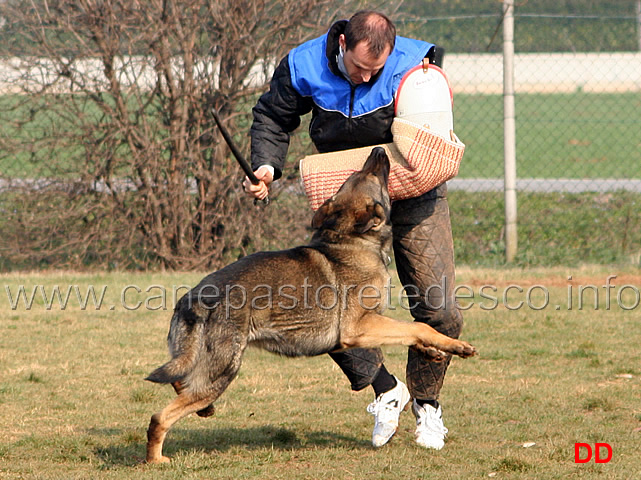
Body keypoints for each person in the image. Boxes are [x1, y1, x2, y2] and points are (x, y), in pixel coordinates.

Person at [243, 10, 463, 450]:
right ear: (342, 43)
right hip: (348, 206)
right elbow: (272, 116)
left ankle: (427, 404)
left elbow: (433, 132)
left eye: (375, 71)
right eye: (358, 67)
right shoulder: (304, 64)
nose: (365, 78)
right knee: (324, 312)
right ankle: (386, 388)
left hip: (413, 193)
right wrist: (266, 166)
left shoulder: (417, 66)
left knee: (439, 309)